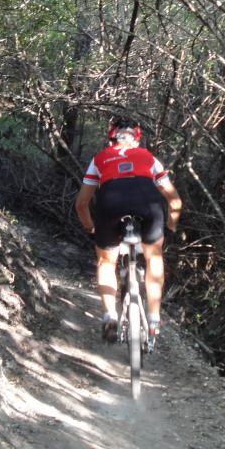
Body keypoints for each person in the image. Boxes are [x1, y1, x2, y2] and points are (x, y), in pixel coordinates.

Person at [75, 117, 182, 344]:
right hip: (148, 204)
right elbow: (174, 201)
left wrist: (90, 228)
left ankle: (109, 315)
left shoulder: (100, 159)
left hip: (110, 205)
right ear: (137, 138)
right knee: (154, 257)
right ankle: (153, 319)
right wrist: (170, 228)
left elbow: (82, 204)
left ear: (111, 137)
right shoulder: (149, 158)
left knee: (106, 262)